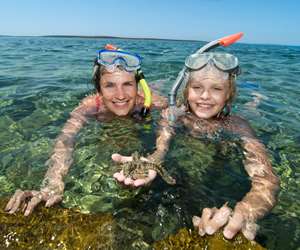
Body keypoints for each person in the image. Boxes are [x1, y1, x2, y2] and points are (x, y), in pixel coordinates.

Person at [112, 51, 280, 240]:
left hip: (220, 169)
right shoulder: (173, 116)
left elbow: (267, 180)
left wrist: (246, 210)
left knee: (252, 110)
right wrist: (151, 163)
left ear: (229, 94)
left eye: (216, 89)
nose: (205, 96)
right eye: (197, 87)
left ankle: (257, 99)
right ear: (186, 90)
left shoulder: (238, 126)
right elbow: (161, 149)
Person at [5, 44, 167, 216]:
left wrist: (155, 159)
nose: (121, 95)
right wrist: (53, 181)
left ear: (137, 86)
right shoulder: (90, 106)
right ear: (98, 89)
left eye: (128, 84)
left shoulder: (154, 103)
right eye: (110, 85)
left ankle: (157, 82)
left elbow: (165, 136)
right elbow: (65, 139)